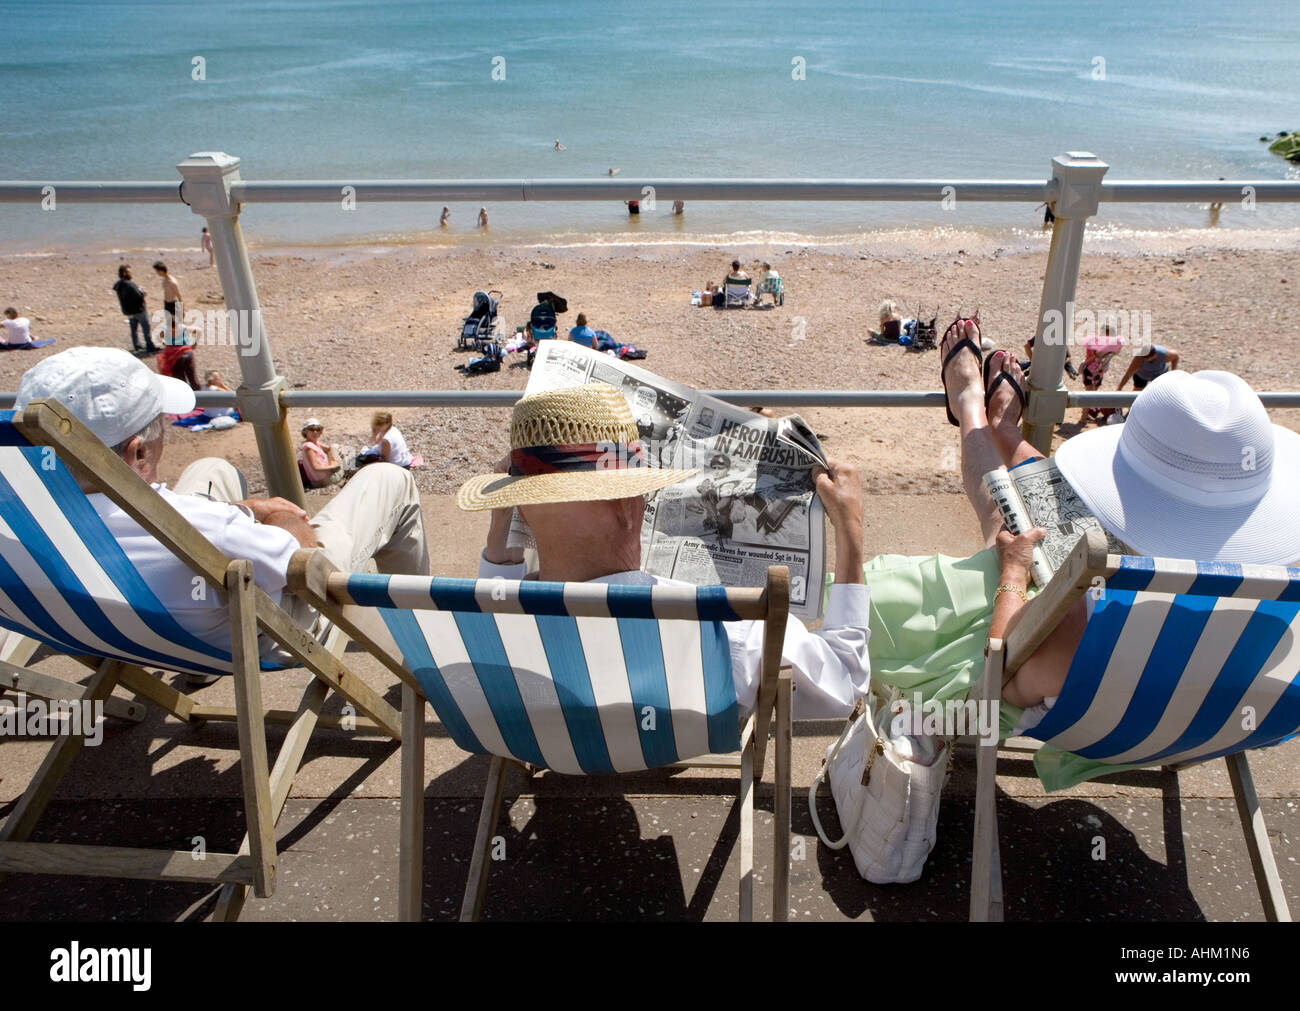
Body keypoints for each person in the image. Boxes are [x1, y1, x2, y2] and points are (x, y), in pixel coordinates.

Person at [862, 320, 1300, 789]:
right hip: (1202, 731)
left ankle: (971, 408)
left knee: (996, 543)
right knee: (1032, 518)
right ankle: (1003, 432)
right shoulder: (1284, 600)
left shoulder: (1089, 626)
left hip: (1086, 713)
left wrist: (1013, 573)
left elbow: (1003, 677)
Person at [459, 383, 871, 719]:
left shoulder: (493, 633)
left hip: (554, 746)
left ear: (520, 514)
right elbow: (845, 685)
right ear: (629, 505)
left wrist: (500, 538)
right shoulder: (727, 631)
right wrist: (850, 531)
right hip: (668, 742)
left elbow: (493, 603)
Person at [14, 347, 429, 673]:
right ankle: (429, 649)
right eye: (158, 425)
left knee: (210, 468)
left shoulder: (14, 524)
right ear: (137, 452)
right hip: (253, 636)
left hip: (125, 633)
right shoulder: (199, 525)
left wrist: (242, 510)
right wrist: (279, 516)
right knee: (389, 481)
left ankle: (194, 668)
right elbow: (302, 567)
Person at [1078, 324, 1123, 425]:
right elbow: (1097, 354)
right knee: (1089, 396)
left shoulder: (1110, 344)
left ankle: (1087, 415)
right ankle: (1083, 419)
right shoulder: (1095, 342)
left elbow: (1116, 353)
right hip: (1089, 371)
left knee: (1092, 395)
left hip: (1099, 372)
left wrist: (1116, 345)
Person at [113, 265, 156, 354]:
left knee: (133, 329)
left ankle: (136, 345)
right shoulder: (130, 285)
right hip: (138, 310)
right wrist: (142, 293)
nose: (130, 273)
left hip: (128, 310)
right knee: (145, 327)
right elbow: (138, 296)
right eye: (129, 271)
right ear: (125, 273)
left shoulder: (118, 285)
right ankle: (149, 346)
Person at [299, 418, 343, 488]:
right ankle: (351, 471)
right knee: (341, 450)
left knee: (335, 447)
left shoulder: (314, 443)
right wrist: (333, 465)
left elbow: (329, 449)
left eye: (318, 429)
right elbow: (316, 467)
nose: (315, 432)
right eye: (312, 429)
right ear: (305, 432)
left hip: (320, 480)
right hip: (325, 481)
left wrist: (340, 447)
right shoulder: (308, 447)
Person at [153, 261, 182, 341]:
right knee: (169, 323)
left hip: (172, 304)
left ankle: (178, 340)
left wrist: (182, 309)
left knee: (174, 323)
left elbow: (179, 295)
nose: (157, 273)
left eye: (157, 271)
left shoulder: (172, 282)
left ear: (161, 270)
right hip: (166, 303)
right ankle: (173, 340)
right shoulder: (164, 280)